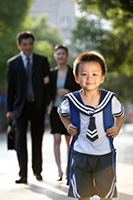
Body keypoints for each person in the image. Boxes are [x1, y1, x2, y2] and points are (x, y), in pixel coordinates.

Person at [58, 51, 125, 199]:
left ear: (102, 77)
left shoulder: (110, 100)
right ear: (76, 77)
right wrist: (67, 125)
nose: (89, 78)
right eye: (84, 74)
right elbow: (61, 112)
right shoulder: (71, 101)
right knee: (82, 194)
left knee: (105, 194)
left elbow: (121, 114)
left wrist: (117, 127)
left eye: (95, 74)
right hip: (81, 153)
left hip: (104, 154)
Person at [6, 31, 50, 184]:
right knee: (20, 141)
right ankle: (23, 174)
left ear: (33, 44)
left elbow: (48, 85)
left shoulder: (42, 61)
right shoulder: (13, 63)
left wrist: (45, 103)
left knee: (37, 139)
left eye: (30, 44)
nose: (28, 47)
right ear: (19, 45)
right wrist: (9, 110)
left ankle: (37, 171)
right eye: (24, 44)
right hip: (20, 107)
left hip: (37, 106)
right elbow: (10, 87)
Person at [49, 45, 80, 181]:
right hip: (55, 110)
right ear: (55, 56)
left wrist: (67, 92)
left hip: (69, 111)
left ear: (67, 56)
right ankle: (59, 170)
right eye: (58, 54)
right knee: (56, 139)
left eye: (63, 54)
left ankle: (68, 168)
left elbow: (78, 90)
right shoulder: (51, 73)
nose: (60, 56)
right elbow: (47, 92)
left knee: (69, 141)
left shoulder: (73, 73)